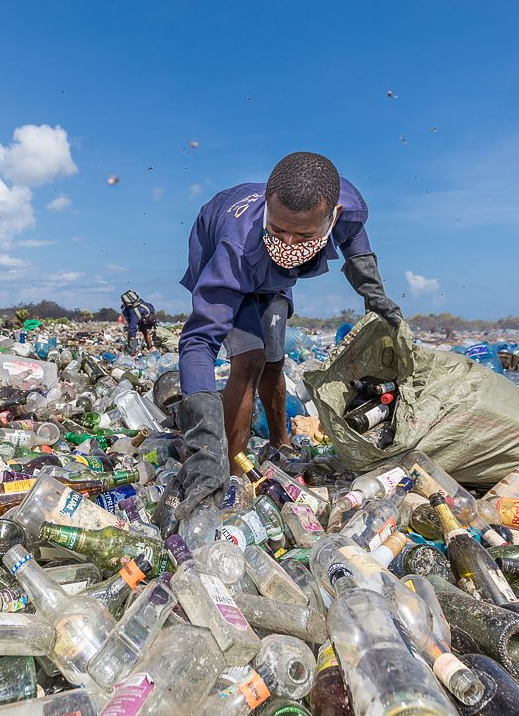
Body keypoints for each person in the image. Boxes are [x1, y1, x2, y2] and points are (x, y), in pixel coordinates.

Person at [172, 152, 402, 518]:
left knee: (274, 360)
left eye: (304, 235)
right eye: (278, 230)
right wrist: (203, 448)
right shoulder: (236, 249)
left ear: (332, 217)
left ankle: (279, 443)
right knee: (249, 359)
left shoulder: (349, 208)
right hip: (229, 252)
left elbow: (355, 240)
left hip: (273, 278)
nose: (289, 244)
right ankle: (230, 470)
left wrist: (374, 296)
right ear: (267, 206)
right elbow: (199, 341)